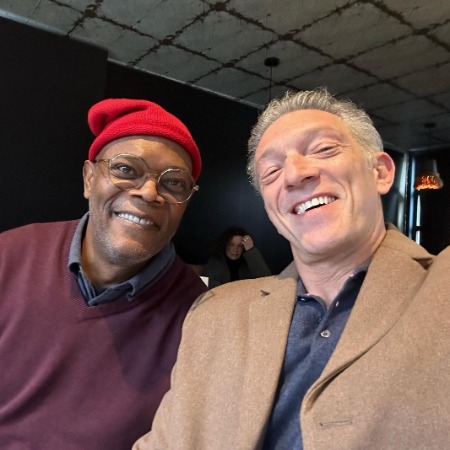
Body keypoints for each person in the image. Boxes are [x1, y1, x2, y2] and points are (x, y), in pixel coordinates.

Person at [133, 88, 450, 450]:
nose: (295, 175)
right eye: (272, 171)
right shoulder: (214, 315)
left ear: (379, 172)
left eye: (324, 149)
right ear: (270, 207)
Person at [0, 98, 208, 449]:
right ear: (89, 178)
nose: (149, 193)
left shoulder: (199, 319)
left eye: (174, 183)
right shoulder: (9, 256)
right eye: (126, 169)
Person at [204, 226, 271, 287]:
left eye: (240, 246)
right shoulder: (215, 262)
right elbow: (212, 288)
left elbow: (267, 280)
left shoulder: (247, 262)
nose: (235, 249)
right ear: (225, 245)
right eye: (231, 245)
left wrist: (251, 250)